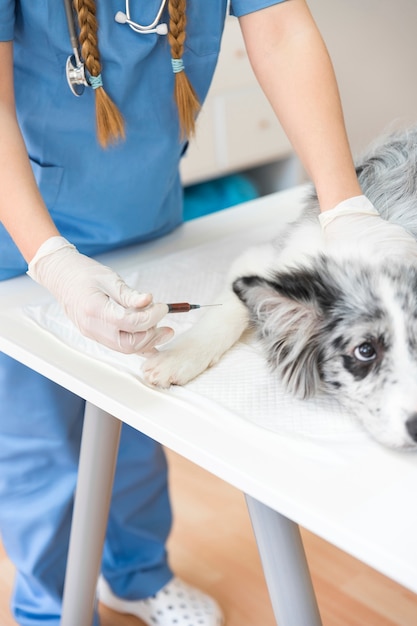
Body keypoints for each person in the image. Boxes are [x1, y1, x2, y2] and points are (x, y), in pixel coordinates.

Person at [1, 1, 415, 625]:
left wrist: (342, 202)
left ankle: (138, 577)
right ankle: (49, 608)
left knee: (133, 421)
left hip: (143, 216)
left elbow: (279, 30)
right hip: (16, 239)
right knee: (43, 447)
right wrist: (51, 258)